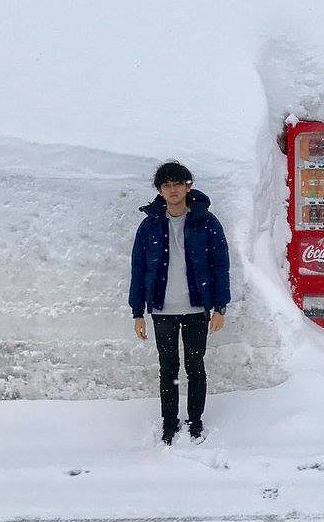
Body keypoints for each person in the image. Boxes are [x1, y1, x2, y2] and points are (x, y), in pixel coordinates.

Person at [129, 161, 230, 445]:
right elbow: (138, 270)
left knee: (195, 367)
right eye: (167, 185)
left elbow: (220, 265)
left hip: (197, 308)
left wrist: (220, 307)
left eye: (178, 184)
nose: (173, 190)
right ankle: (169, 422)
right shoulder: (150, 226)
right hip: (163, 310)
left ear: (189, 187)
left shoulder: (206, 222)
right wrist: (138, 312)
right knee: (168, 368)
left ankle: (195, 420)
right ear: (160, 191)